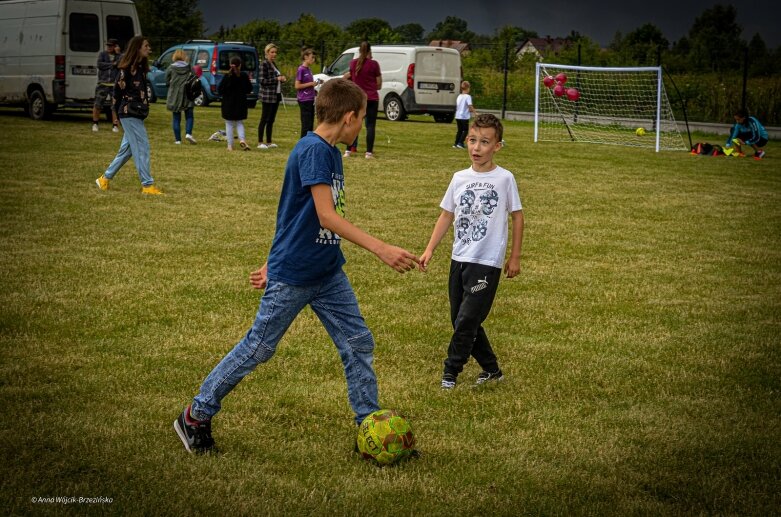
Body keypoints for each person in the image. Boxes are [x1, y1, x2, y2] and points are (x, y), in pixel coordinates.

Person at [174, 79, 419, 454]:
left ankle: (368, 428)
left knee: (358, 342)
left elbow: (292, 215)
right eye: (364, 118)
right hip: (297, 275)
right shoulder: (314, 150)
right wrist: (380, 248)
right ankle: (195, 414)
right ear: (350, 117)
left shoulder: (330, 152)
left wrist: (268, 262)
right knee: (258, 348)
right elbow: (325, 216)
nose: (363, 126)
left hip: (327, 271)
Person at [419, 114, 523, 390]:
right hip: (459, 259)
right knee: (461, 319)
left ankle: (450, 372)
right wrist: (429, 249)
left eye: (485, 142)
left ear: (497, 146)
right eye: (473, 141)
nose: (477, 148)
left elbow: (518, 216)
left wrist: (514, 256)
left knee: (466, 320)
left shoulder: (504, 179)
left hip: (487, 262)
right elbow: (446, 216)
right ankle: (492, 370)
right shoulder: (459, 178)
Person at [95, 36, 162, 195]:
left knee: (127, 150)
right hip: (128, 113)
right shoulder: (126, 69)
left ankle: (104, 179)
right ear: (137, 48)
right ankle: (147, 185)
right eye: (146, 46)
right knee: (142, 147)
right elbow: (117, 91)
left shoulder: (140, 68)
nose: (149, 48)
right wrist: (115, 114)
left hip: (137, 113)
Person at [342, 41, 381, 159]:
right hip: (372, 98)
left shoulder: (353, 64)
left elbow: (350, 79)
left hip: (358, 98)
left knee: (353, 123)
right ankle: (368, 152)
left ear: (359, 51)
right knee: (370, 126)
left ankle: (348, 150)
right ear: (369, 51)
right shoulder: (374, 64)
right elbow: (379, 84)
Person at [218, 56, 252, 151]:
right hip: (240, 103)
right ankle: (242, 139)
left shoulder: (227, 76)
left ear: (230, 65)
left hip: (228, 103)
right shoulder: (244, 75)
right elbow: (249, 89)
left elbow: (220, 90)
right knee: (239, 123)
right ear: (240, 65)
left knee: (229, 124)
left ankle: (230, 145)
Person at [257, 43, 286, 149]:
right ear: (267, 53)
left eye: (275, 52)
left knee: (271, 120)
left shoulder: (274, 64)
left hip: (275, 95)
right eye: (272, 52)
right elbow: (262, 81)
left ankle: (269, 141)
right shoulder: (263, 64)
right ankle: (260, 142)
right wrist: (276, 79)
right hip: (267, 96)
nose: (274, 54)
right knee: (264, 119)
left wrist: (281, 79)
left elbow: (276, 78)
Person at [165, 49, 197, 145]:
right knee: (189, 116)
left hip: (175, 95)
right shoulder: (189, 67)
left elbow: (166, 81)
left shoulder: (170, 68)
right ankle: (188, 133)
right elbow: (195, 78)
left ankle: (178, 140)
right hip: (187, 94)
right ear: (184, 57)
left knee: (176, 118)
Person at [91, 38, 121, 132]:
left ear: (115, 46)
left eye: (111, 45)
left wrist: (118, 54)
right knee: (98, 104)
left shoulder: (119, 56)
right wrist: (113, 64)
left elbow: (122, 63)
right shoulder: (102, 54)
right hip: (102, 83)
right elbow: (100, 65)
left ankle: (115, 125)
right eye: (108, 45)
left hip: (114, 85)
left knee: (114, 106)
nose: (108, 47)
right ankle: (95, 124)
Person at [295, 48, 319, 138]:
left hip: (311, 99)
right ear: (305, 57)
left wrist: (315, 89)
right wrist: (311, 84)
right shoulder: (301, 69)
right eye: (312, 57)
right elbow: (297, 86)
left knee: (310, 124)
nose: (313, 59)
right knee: (306, 124)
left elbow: (309, 85)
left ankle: (308, 142)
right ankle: (303, 143)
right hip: (304, 100)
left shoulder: (309, 69)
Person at [453, 81, 476, 149]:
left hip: (458, 116)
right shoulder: (468, 96)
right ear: (468, 88)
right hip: (464, 116)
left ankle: (456, 143)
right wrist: (475, 112)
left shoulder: (459, 96)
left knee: (460, 130)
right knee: (465, 130)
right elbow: (470, 106)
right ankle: (460, 143)